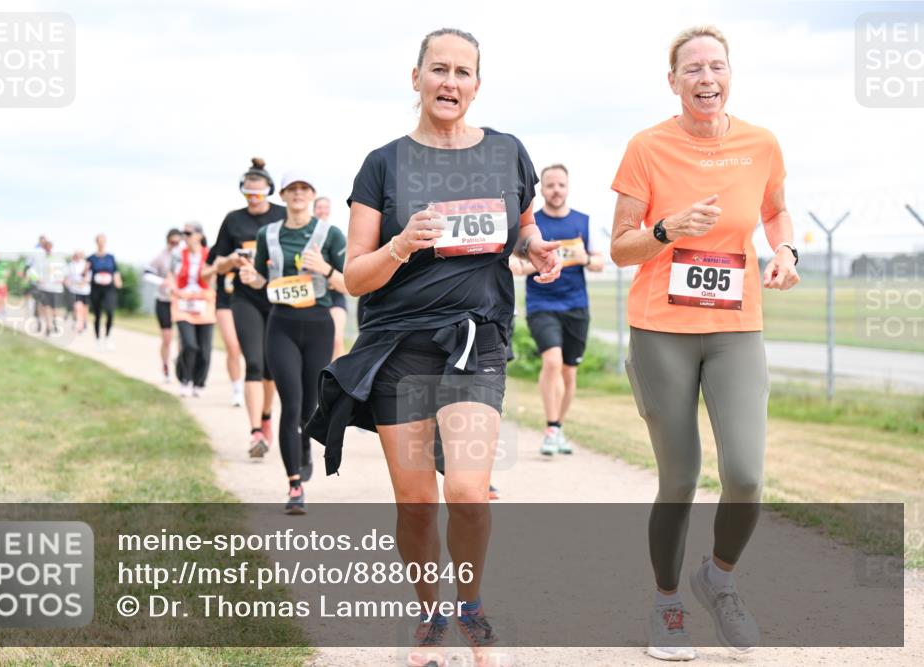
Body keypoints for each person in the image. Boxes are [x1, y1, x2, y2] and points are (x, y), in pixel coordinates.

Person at [305, 28, 561, 667]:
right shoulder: (384, 163)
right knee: (417, 501)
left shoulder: (507, 153)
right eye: (438, 70)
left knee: (469, 492)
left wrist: (537, 250)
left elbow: (522, 229)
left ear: (478, 83)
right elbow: (355, 275)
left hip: (478, 340)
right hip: (399, 346)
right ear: (415, 77)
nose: (450, 83)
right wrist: (400, 245)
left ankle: (471, 606)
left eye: (463, 72)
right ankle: (428, 612)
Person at [610, 25, 800, 661]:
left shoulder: (762, 143)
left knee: (745, 474)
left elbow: (775, 211)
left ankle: (717, 578)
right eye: (692, 69)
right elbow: (619, 246)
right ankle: (667, 603)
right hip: (661, 327)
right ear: (673, 82)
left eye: (715, 66)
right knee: (681, 476)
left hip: (735, 326)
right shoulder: (646, 146)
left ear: (729, 75)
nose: (705, 78)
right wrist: (665, 229)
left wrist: (786, 249)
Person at [240, 172, 347, 514]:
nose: (298, 194)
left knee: (310, 409)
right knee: (291, 403)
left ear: (313, 194)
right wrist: (250, 277)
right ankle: (294, 486)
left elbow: (350, 285)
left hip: (318, 324)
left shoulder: (330, 234)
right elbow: (261, 279)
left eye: (305, 188)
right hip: (282, 324)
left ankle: (304, 445)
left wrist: (327, 270)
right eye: (292, 189)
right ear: (283, 195)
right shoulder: (267, 234)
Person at [512, 164, 604, 456]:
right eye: (550, 185)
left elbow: (599, 263)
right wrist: (531, 264)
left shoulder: (583, 222)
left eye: (561, 185)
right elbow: (517, 264)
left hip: (576, 304)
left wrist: (584, 258)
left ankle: (559, 428)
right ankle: (551, 427)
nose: (556, 190)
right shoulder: (531, 226)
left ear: (568, 187)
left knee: (569, 371)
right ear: (542, 189)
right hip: (542, 303)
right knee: (552, 361)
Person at [209, 158, 285, 458]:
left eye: (258, 191)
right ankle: (255, 432)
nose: (253, 196)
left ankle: (266, 416)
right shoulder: (233, 220)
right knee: (252, 361)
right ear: (242, 190)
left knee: (271, 368)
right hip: (244, 298)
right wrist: (231, 261)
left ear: (269, 190)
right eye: (248, 192)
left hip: (276, 296)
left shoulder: (281, 216)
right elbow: (216, 263)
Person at [168, 222, 216, 397]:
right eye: (183, 234)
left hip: (204, 304)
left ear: (199, 236)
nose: (185, 237)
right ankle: (185, 378)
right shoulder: (177, 255)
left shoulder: (210, 255)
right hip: (183, 304)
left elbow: (215, 279)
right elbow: (170, 275)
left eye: (188, 233)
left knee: (204, 348)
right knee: (189, 344)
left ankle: (199, 381)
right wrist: (175, 290)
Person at [203, 251, 246, 406]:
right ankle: (237, 389)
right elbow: (204, 275)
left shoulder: (256, 239)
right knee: (233, 347)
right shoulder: (218, 249)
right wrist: (221, 264)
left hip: (249, 303)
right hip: (225, 303)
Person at [145, 229, 183, 383]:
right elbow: (146, 273)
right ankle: (165, 366)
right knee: (167, 338)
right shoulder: (161, 257)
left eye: (177, 242)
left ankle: (181, 365)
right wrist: (162, 282)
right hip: (163, 301)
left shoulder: (183, 256)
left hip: (180, 302)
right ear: (167, 241)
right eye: (172, 242)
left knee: (184, 338)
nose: (174, 245)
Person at [314, 196, 349, 361]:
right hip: (311, 297)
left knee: (335, 340)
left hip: (334, 295)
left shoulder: (335, 234)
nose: (322, 210)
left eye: (325, 207)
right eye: (319, 207)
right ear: (314, 210)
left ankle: (338, 381)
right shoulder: (305, 235)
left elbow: (346, 275)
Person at [87, 234, 122, 350]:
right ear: (96, 242)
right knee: (97, 314)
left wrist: (118, 281)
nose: (101, 243)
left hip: (109, 288)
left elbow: (115, 271)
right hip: (96, 288)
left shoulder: (110, 257)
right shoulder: (91, 258)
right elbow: (86, 273)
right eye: (99, 241)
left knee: (110, 312)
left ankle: (108, 337)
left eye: (103, 241)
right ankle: (98, 340)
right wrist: (85, 273)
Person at [29, 241, 67, 335]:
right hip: (44, 288)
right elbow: (31, 272)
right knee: (46, 307)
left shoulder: (59, 258)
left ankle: (55, 322)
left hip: (56, 288)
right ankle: (48, 327)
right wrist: (37, 279)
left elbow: (65, 271)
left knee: (55, 309)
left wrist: (63, 279)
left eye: (50, 247)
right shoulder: (40, 259)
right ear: (44, 248)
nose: (48, 249)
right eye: (46, 247)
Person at [64, 250, 90, 332]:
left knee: (84, 308)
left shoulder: (85, 264)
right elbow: (66, 277)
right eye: (76, 255)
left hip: (85, 290)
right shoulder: (70, 265)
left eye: (79, 255)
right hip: (74, 290)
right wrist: (67, 282)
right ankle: (79, 323)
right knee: (77, 307)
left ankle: (84, 321)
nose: (77, 256)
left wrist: (84, 282)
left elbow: (88, 276)